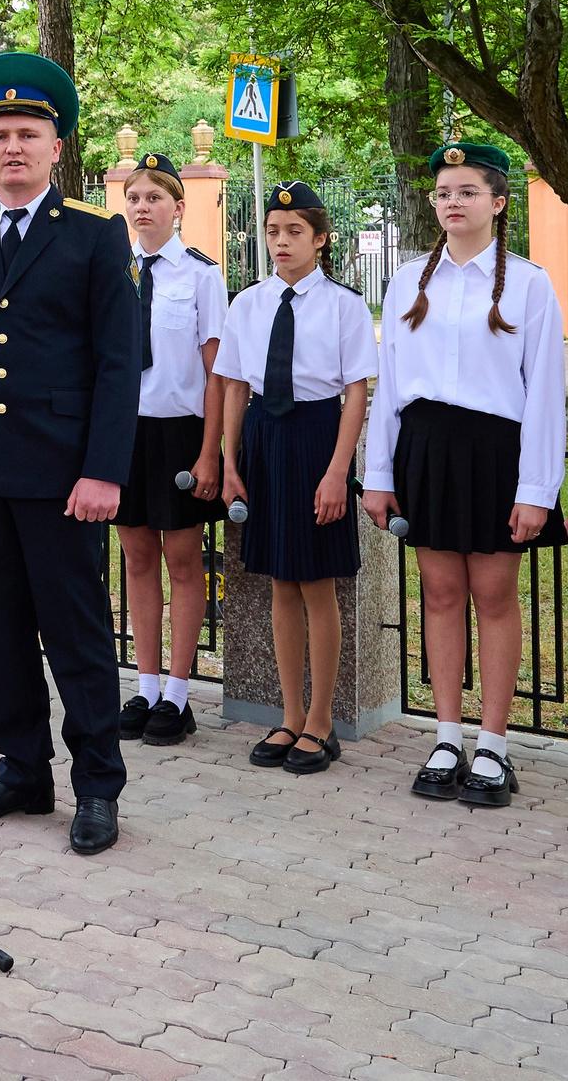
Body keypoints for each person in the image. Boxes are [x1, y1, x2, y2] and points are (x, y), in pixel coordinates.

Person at [0, 53, 139, 856]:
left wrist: (105, 468)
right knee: (1, 628)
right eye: (0, 134)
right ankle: (22, 768)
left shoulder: (93, 236)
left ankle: (97, 785)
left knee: (74, 630)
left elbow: (120, 362)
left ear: (54, 146)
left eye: (28, 134)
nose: (13, 146)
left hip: (65, 473)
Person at [361, 142, 566, 808]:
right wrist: (378, 473)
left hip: (495, 451)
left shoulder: (530, 284)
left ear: (499, 203)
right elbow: (390, 385)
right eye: (443, 191)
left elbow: (542, 394)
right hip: (426, 448)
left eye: (467, 191)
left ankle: (494, 744)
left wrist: (536, 489)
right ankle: (447, 734)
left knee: (495, 594)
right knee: (442, 594)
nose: (452, 201)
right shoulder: (409, 279)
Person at [216, 183, 377, 776]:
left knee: (317, 582)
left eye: (294, 232)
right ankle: (288, 715)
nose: (281, 242)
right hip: (263, 439)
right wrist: (231, 462)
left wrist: (338, 472)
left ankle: (322, 722)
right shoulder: (248, 304)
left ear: (320, 238)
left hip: (316, 440)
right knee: (280, 580)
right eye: (273, 231)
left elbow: (356, 392)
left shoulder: (344, 305)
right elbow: (234, 384)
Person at [110, 152, 226, 746]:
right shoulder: (112, 270)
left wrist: (211, 454)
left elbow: (216, 376)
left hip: (179, 431)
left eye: (153, 198)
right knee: (135, 560)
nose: (141, 208)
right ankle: (145, 684)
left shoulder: (201, 274)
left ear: (178, 209)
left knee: (183, 561)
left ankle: (179, 694)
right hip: (124, 431)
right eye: (133, 198)